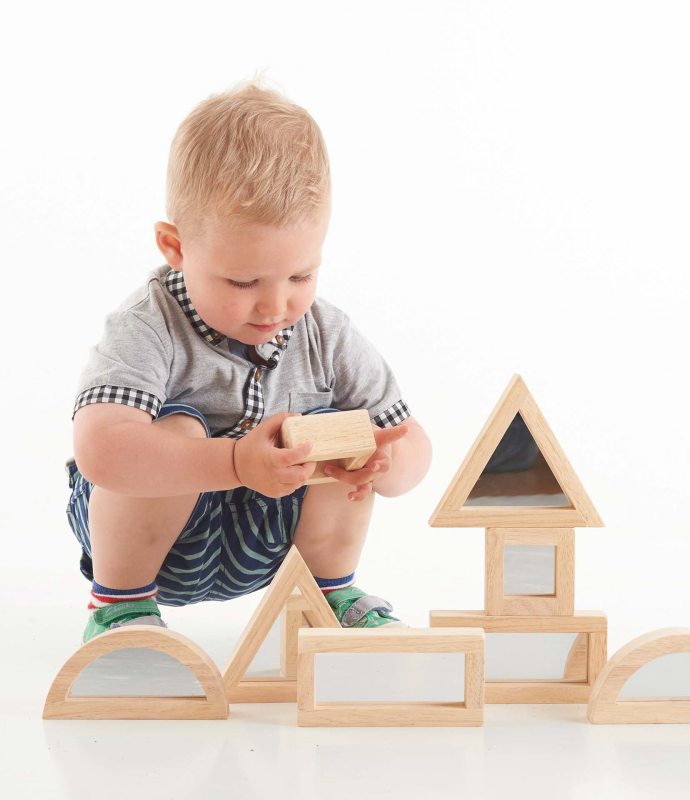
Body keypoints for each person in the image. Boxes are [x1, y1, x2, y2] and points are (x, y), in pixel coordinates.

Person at [65, 76, 432, 644]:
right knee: (179, 427)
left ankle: (326, 595)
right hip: (151, 533)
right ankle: (121, 606)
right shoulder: (148, 325)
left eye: (301, 276)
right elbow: (101, 451)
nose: (276, 305)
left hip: (270, 535)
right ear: (176, 247)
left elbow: (411, 440)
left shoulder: (328, 334)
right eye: (243, 281)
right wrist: (235, 462)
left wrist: (383, 461)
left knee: (342, 432)